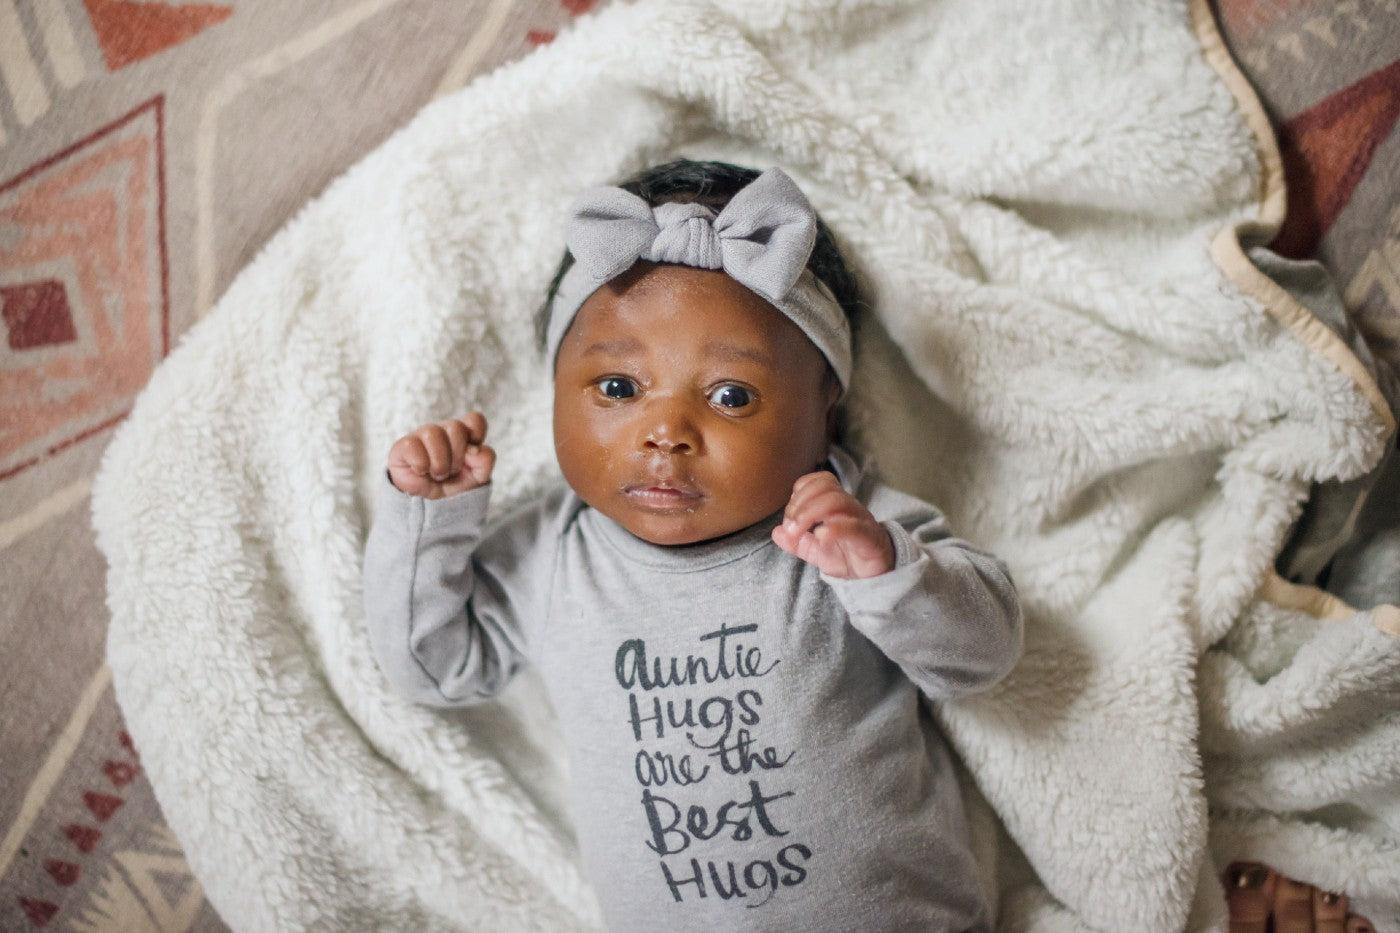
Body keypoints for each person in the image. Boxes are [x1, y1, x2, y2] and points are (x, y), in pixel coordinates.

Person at [361, 160, 1024, 931]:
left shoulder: (849, 526)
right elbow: (433, 667)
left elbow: (983, 654)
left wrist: (890, 573)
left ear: (825, 409)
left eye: (730, 395)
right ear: (554, 389)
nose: (666, 431)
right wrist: (429, 525)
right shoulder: (552, 554)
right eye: (618, 387)